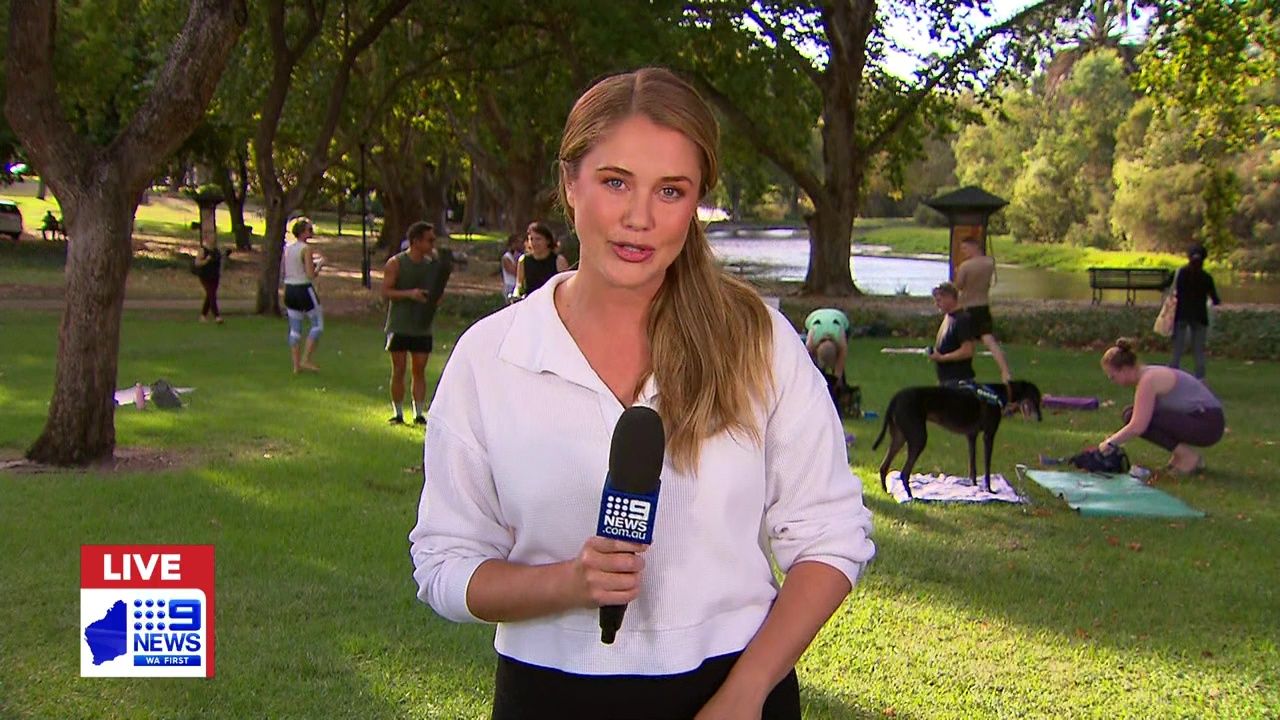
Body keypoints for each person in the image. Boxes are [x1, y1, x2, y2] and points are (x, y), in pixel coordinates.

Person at [409, 67, 874, 720]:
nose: (639, 218)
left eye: (671, 191)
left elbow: (831, 535)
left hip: (734, 690)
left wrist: (745, 695)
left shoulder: (756, 340)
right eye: (615, 182)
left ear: (696, 201)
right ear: (570, 183)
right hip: (549, 696)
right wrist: (568, 583)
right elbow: (444, 564)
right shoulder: (491, 358)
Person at [1099, 338, 1225, 473]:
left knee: (1133, 416)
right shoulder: (1148, 374)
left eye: (1113, 377)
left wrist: (1109, 443)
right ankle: (1181, 456)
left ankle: (1188, 457)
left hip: (1208, 424)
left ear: (1124, 369)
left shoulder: (1149, 380)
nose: (1113, 381)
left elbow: (1138, 426)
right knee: (1130, 412)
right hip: (1203, 419)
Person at [382, 221, 447, 426]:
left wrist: (434, 297)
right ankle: (398, 413)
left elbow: (438, 294)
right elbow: (386, 291)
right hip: (399, 324)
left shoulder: (431, 266)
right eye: (429, 240)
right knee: (399, 369)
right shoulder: (396, 263)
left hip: (422, 326)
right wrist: (410, 294)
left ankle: (419, 413)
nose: (433, 244)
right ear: (416, 241)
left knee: (419, 370)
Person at [953, 236, 1012, 383]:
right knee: (989, 340)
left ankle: (960, 373)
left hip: (968, 307)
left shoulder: (966, 266)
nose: (964, 252)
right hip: (983, 305)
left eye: (965, 248)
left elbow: (959, 285)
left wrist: (956, 272)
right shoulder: (989, 263)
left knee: (964, 343)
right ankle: (1005, 371)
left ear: (975, 247)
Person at [1170, 244, 1221, 379]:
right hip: (1199, 316)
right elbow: (1215, 299)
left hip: (1182, 314)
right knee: (1199, 351)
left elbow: (1167, 286)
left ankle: (1172, 377)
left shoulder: (1180, 274)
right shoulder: (1206, 277)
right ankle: (1200, 378)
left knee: (1177, 350)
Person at [281, 217, 324, 373]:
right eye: (309, 230)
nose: (311, 232)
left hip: (289, 289)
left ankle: (296, 365)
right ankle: (306, 359)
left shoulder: (287, 248)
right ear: (303, 232)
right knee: (317, 325)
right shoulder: (306, 249)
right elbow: (310, 274)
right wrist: (319, 265)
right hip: (303, 289)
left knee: (295, 328)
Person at [928, 282, 976, 386]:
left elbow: (967, 351)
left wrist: (942, 358)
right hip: (946, 379)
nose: (937, 304)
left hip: (959, 380)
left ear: (949, 298)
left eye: (939, 300)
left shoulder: (962, 319)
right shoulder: (948, 317)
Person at [514, 221, 569, 298]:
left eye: (538, 239)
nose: (534, 243)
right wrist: (515, 296)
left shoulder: (559, 260)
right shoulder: (523, 260)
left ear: (548, 240)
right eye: (531, 239)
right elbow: (519, 285)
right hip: (531, 301)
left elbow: (566, 286)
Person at [803, 308, 849, 384]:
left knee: (840, 362)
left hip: (839, 318)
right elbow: (808, 363)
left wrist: (838, 378)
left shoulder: (841, 342)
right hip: (814, 317)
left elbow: (841, 360)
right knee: (814, 365)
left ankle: (842, 384)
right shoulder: (811, 343)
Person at [193, 237, 225, 324]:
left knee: (210, 295)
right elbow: (197, 263)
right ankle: (217, 316)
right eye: (212, 240)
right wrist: (207, 259)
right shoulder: (203, 250)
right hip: (205, 276)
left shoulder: (217, 251)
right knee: (212, 294)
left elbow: (220, 261)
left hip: (215, 276)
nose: (213, 242)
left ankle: (203, 315)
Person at [500, 233, 522, 302]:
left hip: (519, 285)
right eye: (518, 242)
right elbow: (514, 272)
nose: (520, 244)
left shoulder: (520, 256)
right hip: (510, 286)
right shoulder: (506, 257)